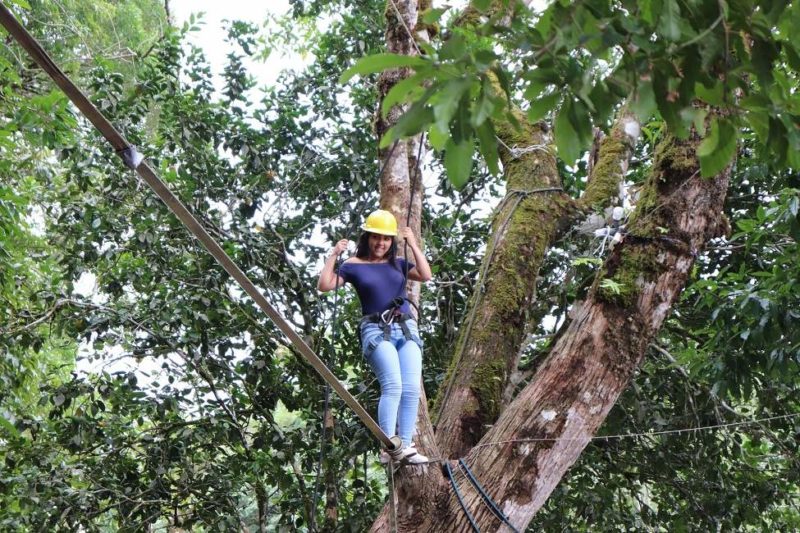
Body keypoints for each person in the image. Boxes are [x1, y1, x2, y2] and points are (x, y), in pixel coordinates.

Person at [318, 209, 432, 464]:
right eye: (376, 238)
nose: (381, 243)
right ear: (367, 238)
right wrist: (334, 255)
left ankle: (406, 446)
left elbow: (426, 275)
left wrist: (412, 243)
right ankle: (390, 446)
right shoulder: (353, 266)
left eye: (386, 239)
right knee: (393, 386)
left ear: (392, 241)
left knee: (411, 388)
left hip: (406, 328)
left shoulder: (398, 264)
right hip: (375, 329)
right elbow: (325, 285)